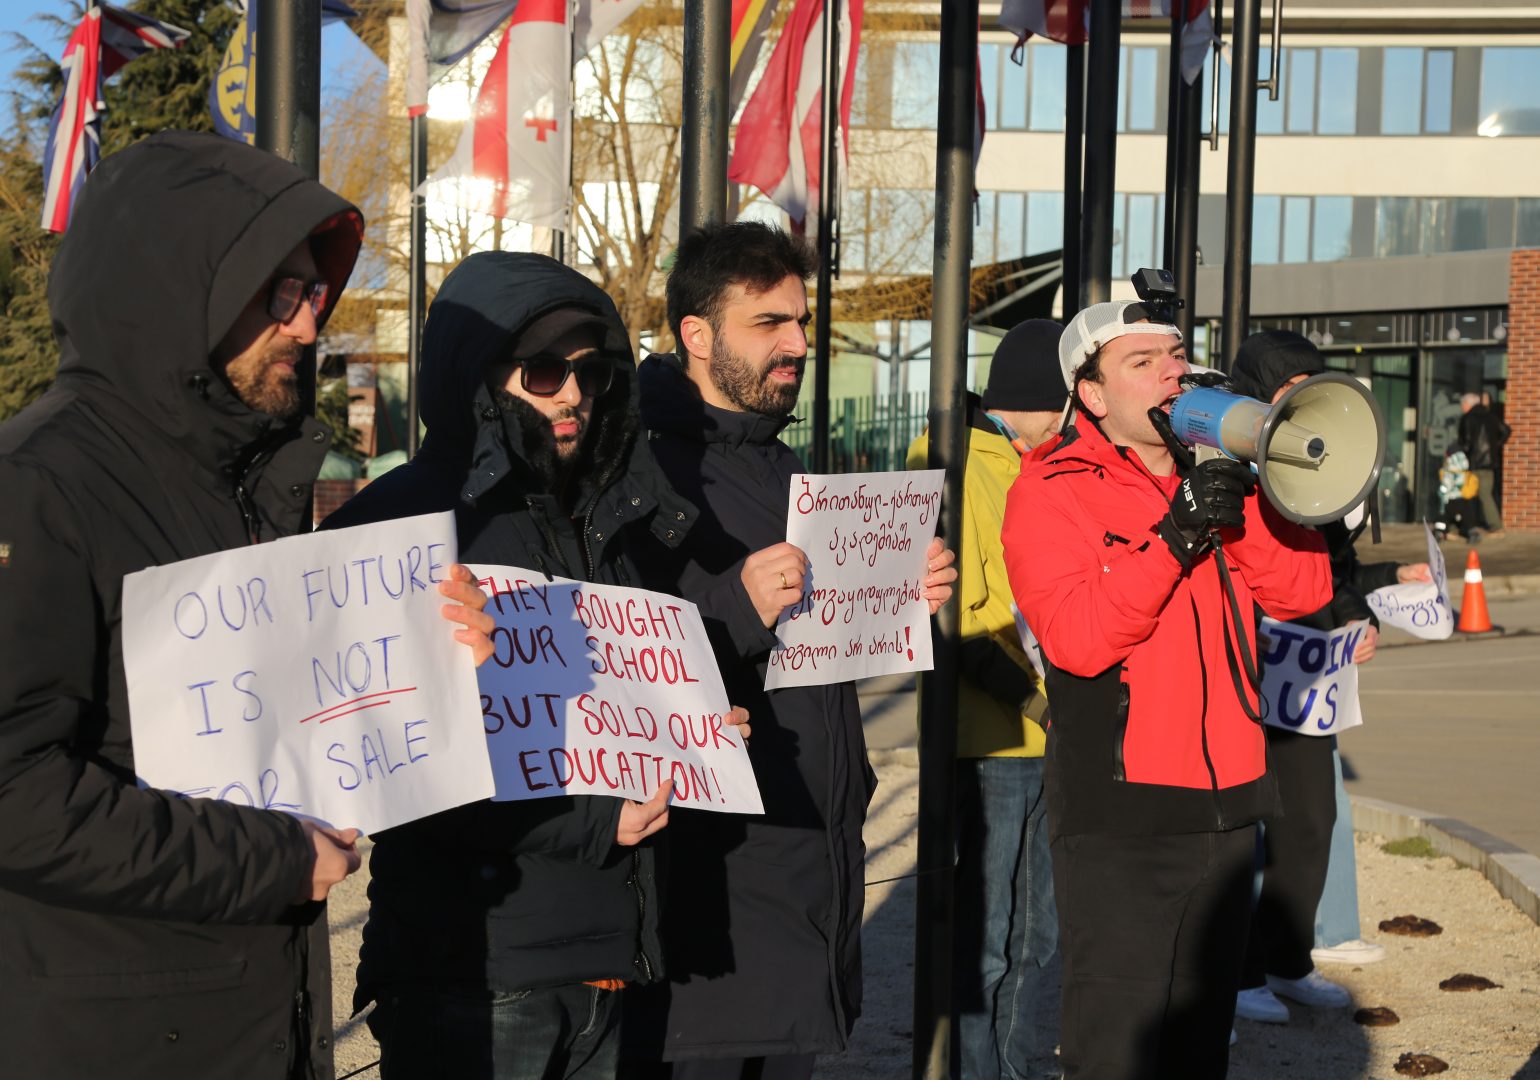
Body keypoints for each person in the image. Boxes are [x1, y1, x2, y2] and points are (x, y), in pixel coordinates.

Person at [0, 131, 493, 1079]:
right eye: (282, 295)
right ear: (181, 287)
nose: (310, 328)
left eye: (317, 296)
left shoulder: (240, 486)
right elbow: (13, 791)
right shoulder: (40, 486)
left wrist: (435, 656)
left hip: (249, 1021)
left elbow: (296, 728)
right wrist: (268, 860)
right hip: (108, 1037)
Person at [324, 251, 748, 1080]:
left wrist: (691, 733)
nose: (574, 397)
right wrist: (594, 822)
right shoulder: (404, 522)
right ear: (479, 379)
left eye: (591, 374)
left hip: (605, 960)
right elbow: (394, 767)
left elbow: (617, 702)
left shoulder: (608, 514)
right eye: (545, 371)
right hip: (473, 972)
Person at [623, 221, 956, 1079]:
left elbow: (817, 643)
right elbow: (621, 647)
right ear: (697, 336)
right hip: (718, 886)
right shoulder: (648, 471)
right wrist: (735, 601)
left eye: (801, 322)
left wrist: (900, 586)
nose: (798, 344)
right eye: (768, 323)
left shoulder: (780, 464)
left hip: (813, 866)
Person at [1001, 302, 1332, 1079]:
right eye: (1141, 362)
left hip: (1229, 805)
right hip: (1123, 815)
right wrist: (1174, 537)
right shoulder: (1049, 489)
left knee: (1197, 1048)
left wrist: (1242, 506)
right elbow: (1080, 640)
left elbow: (1302, 589)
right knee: (1117, 1047)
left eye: (1176, 355)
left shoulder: (1218, 472)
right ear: (1091, 394)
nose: (1171, 371)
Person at [1225, 330, 1417, 1025]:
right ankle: (1239, 973)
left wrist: (1353, 622)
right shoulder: (1224, 466)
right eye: (1287, 388)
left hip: (1304, 671)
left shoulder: (1318, 478)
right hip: (1244, 663)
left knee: (1310, 819)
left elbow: (1333, 574)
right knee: (1245, 830)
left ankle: (1287, 959)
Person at [906, 318, 1065, 1079]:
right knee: (992, 937)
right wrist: (1036, 700)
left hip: (1041, 729)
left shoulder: (1034, 461)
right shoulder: (957, 464)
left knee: (1041, 937)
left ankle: (1016, 1067)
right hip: (991, 738)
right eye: (1067, 400)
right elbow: (958, 615)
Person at [1457, 391, 1510, 534]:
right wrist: (1495, 446)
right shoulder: (1491, 417)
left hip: (1474, 463)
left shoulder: (1468, 418)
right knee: (1484, 493)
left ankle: (1493, 526)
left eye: (1463, 404)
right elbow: (1506, 430)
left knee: (1471, 494)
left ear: (1468, 404)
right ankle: (1484, 524)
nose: (1462, 407)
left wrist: (1460, 452)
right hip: (1489, 463)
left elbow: (1466, 442)